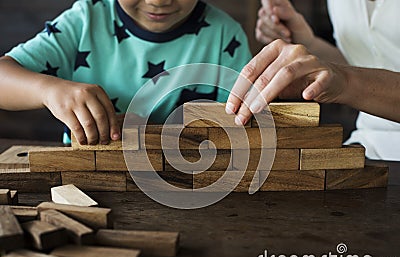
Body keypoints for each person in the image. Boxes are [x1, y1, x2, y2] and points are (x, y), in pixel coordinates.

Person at [0, 0, 251, 145]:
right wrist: (48, 90)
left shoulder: (225, 35)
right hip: (87, 180)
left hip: (189, 184)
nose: (158, 1)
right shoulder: (87, 18)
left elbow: (243, 129)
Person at [226, 0, 400, 161]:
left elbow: (351, 80)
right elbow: (365, 65)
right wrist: (307, 44)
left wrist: (346, 80)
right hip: (367, 145)